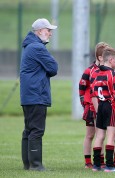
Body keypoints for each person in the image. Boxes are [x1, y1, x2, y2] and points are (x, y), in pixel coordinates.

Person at [20, 18, 58, 171]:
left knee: (29, 129)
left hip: (29, 95)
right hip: (37, 94)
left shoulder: (30, 46)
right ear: (40, 31)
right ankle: (36, 165)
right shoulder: (37, 47)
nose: (50, 33)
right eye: (48, 30)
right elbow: (54, 67)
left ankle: (28, 164)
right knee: (36, 130)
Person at [91, 47, 115, 172]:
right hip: (111, 106)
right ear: (110, 60)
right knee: (111, 136)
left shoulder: (95, 74)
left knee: (99, 136)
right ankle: (109, 166)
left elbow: (93, 92)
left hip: (101, 106)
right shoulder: (113, 75)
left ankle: (96, 165)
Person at [79, 42, 109, 169]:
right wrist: (84, 104)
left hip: (102, 107)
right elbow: (81, 88)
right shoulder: (89, 71)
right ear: (99, 56)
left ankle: (100, 161)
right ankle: (88, 162)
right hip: (91, 107)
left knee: (100, 134)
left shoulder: (108, 71)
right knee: (91, 135)